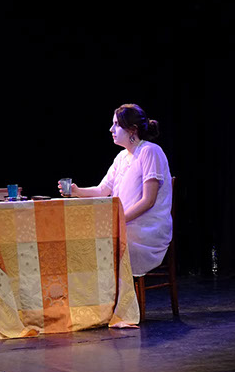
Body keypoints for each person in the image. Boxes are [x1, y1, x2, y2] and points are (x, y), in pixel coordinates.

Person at [59, 104, 173, 276]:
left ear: (132, 129)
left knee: (96, 243)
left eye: (117, 125)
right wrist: (77, 191)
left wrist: (118, 221)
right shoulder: (121, 157)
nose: (111, 129)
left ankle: (110, 292)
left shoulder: (149, 151)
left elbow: (148, 201)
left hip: (145, 230)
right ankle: (98, 292)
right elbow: (102, 190)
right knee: (81, 239)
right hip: (125, 224)